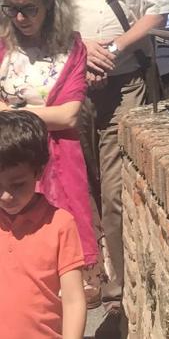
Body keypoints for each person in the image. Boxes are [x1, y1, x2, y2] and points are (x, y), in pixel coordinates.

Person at [48, 0, 169, 330]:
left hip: (125, 82)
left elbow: (157, 12)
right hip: (74, 86)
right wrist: (82, 48)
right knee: (77, 184)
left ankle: (117, 289)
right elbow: (53, 15)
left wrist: (114, 48)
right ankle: (86, 272)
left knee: (116, 190)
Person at [0, 0, 97, 269]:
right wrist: (42, 114)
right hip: (8, 163)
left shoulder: (72, 48)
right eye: (10, 9)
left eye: (29, 9)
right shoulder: (2, 46)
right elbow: (55, 115)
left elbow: (68, 116)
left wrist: (9, 112)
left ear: (50, 3)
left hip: (56, 165)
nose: (19, 17)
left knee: (56, 257)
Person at [0, 110, 86, 339]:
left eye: (17, 185)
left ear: (38, 172)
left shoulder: (60, 224)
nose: (6, 196)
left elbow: (73, 300)